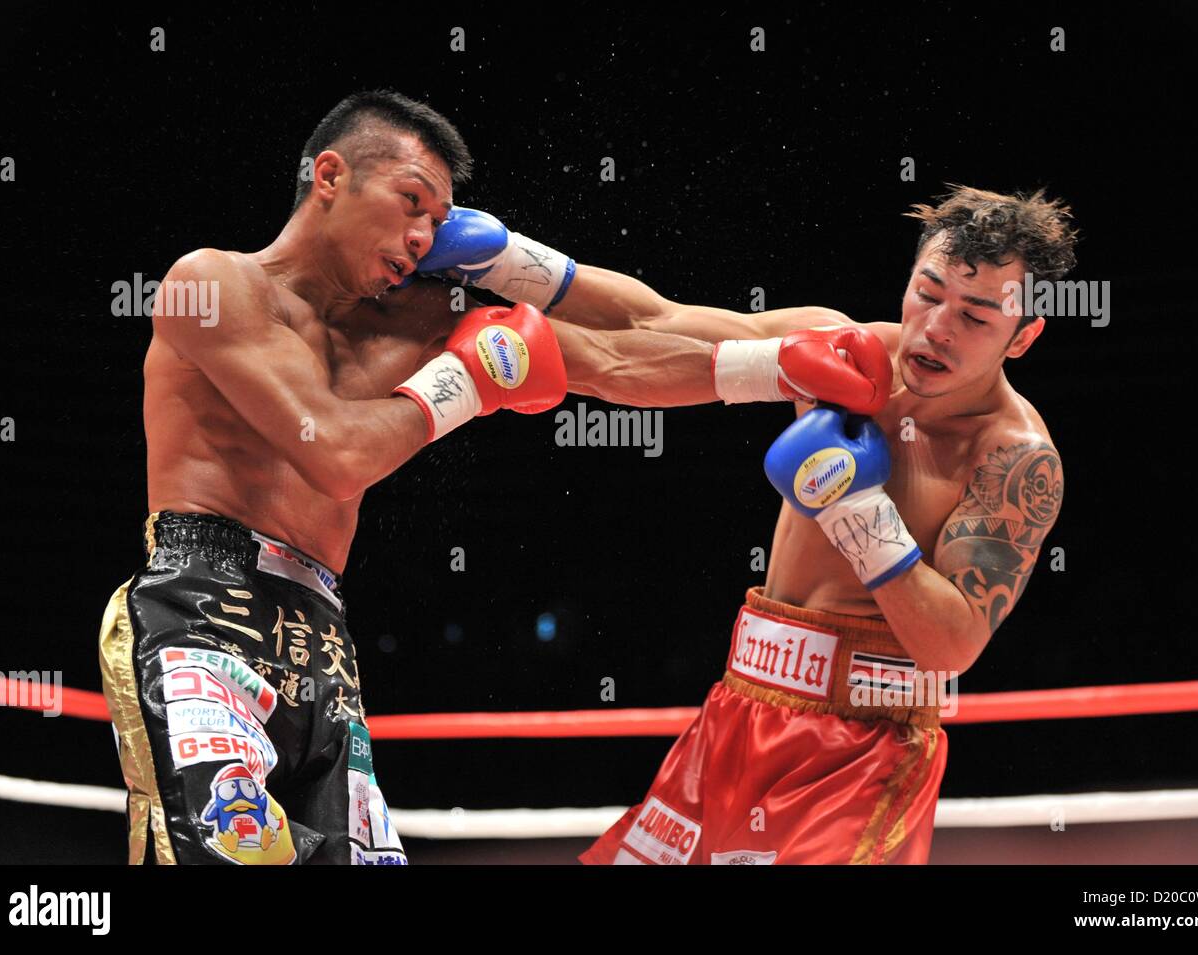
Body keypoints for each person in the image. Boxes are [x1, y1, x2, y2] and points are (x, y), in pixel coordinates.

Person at [97, 89, 884, 865]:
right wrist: (465, 382)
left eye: (438, 223)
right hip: (200, 608)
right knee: (241, 856)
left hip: (322, 636)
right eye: (410, 203)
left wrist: (787, 360)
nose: (420, 236)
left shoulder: (422, 316)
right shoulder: (213, 286)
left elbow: (628, 345)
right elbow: (334, 453)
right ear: (329, 176)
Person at [424, 185, 1074, 864]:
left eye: (975, 316)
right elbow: (659, 326)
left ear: (1024, 334)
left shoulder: (1014, 458)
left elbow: (952, 643)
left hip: (859, 756)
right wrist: (504, 262)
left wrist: (857, 508)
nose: (937, 327)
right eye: (928, 292)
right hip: (738, 712)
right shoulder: (844, 354)